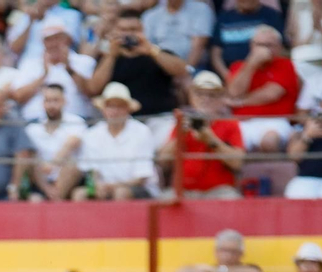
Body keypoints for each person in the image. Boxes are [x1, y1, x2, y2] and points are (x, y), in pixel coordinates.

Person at [91, 9, 184, 142]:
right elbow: (93, 88)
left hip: (159, 119)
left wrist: (151, 50)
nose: (128, 34)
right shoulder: (108, 58)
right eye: (123, 30)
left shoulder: (156, 53)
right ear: (114, 31)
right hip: (121, 122)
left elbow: (181, 70)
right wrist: (111, 56)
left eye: (134, 29)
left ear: (143, 30)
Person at [156, 70, 245, 198]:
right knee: (164, 200)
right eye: (200, 94)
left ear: (221, 98)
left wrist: (211, 139)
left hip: (219, 190)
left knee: (232, 199)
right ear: (191, 97)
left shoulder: (230, 124)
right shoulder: (181, 123)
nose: (205, 99)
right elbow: (163, 161)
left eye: (212, 95)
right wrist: (181, 136)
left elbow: (237, 163)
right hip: (183, 190)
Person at [74, 82, 158, 199]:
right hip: (105, 188)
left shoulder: (142, 132)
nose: (114, 111)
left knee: (120, 193)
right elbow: (92, 172)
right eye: (110, 106)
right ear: (103, 109)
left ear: (128, 109)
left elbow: (141, 178)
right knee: (80, 194)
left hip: (136, 189)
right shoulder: (92, 134)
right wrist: (98, 186)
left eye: (120, 107)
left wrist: (113, 186)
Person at [225, 26, 299, 152]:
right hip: (241, 121)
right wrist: (252, 64)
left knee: (269, 142)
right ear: (251, 46)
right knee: (230, 146)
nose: (263, 49)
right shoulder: (238, 66)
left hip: (274, 121)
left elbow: (271, 94)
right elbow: (234, 93)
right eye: (259, 45)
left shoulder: (285, 64)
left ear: (279, 47)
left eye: (269, 45)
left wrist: (240, 102)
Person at [14, 21, 99, 122]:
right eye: (48, 40)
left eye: (58, 38)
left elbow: (91, 92)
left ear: (68, 40)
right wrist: (44, 75)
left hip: (76, 122)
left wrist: (69, 68)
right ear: (43, 43)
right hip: (36, 122)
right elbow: (18, 97)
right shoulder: (29, 64)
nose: (53, 43)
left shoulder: (85, 62)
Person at [25, 83, 86, 200]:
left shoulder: (76, 121)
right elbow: (31, 158)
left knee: (71, 164)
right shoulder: (33, 128)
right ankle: (51, 196)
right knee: (29, 160)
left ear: (64, 101)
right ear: (43, 103)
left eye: (56, 100)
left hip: (68, 179)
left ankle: (55, 199)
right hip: (41, 181)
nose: (51, 105)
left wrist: (52, 164)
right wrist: (46, 186)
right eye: (47, 101)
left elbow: (72, 142)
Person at [213, 0, 287, 73]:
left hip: (264, 72)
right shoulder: (224, 18)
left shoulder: (271, 16)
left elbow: (280, 49)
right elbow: (216, 55)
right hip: (229, 72)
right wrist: (228, 76)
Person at [143, 0, 214, 71]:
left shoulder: (200, 9)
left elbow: (198, 45)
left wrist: (187, 70)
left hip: (194, 67)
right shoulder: (150, 15)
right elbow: (147, 45)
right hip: (160, 67)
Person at [7, 0, 83, 67]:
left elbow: (70, 41)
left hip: (58, 64)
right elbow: (15, 48)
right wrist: (31, 21)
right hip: (29, 64)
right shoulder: (27, 16)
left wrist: (46, 17)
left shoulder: (72, 15)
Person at [176, 228, 265, 272]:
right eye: (224, 250)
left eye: (233, 251)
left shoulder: (249, 269)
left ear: (241, 254)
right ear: (216, 251)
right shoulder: (209, 269)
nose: (228, 255)